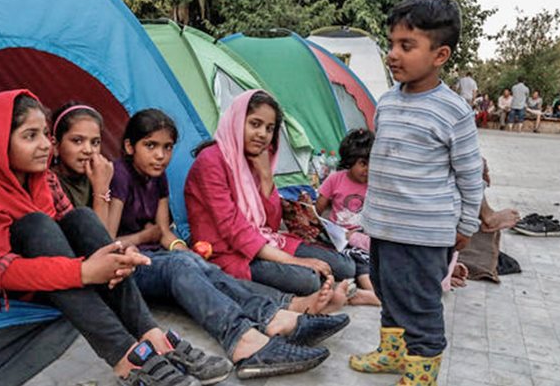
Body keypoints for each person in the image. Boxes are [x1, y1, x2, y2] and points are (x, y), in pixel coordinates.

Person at [50, 104, 343, 380]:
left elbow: (162, 231)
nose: (88, 150)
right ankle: (244, 340)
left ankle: (275, 315)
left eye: (95, 142)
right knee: (179, 266)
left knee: (191, 261)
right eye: (77, 141)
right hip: (119, 266)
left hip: (144, 256)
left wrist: (181, 247)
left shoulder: (124, 174)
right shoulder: (108, 177)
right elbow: (105, 244)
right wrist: (129, 220)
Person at [0, 90, 210, 386]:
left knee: (81, 218)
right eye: (30, 136)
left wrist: (116, 257)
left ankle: (150, 333)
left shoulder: (42, 180)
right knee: (37, 225)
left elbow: (82, 232)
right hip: (26, 285)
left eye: (45, 134)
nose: (44, 145)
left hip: (66, 272)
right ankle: (125, 358)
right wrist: (84, 271)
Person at [348, 0, 483, 386]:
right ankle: (392, 353)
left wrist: (467, 224)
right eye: (391, 43)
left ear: (440, 55)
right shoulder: (387, 102)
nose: (393, 54)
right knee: (388, 291)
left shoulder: (453, 111)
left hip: (424, 234)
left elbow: (470, 174)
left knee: (420, 304)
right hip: (385, 226)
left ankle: (422, 372)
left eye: (406, 46)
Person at [185, 90, 359, 297]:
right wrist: (295, 261)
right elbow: (233, 229)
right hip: (226, 251)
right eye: (255, 124)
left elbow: (271, 224)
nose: (262, 134)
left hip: (263, 239)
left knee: (346, 266)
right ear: (236, 121)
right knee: (307, 279)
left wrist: (266, 176)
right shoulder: (210, 161)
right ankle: (331, 291)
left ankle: (331, 289)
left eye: (269, 128)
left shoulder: (256, 159)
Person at [313, 129, 381, 306]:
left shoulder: (376, 184)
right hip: (339, 237)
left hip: (364, 237)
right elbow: (317, 210)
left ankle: (373, 293)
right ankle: (373, 293)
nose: (367, 169)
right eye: (363, 163)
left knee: (365, 258)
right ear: (350, 161)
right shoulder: (335, 179)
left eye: (372, 163)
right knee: (353, 258)